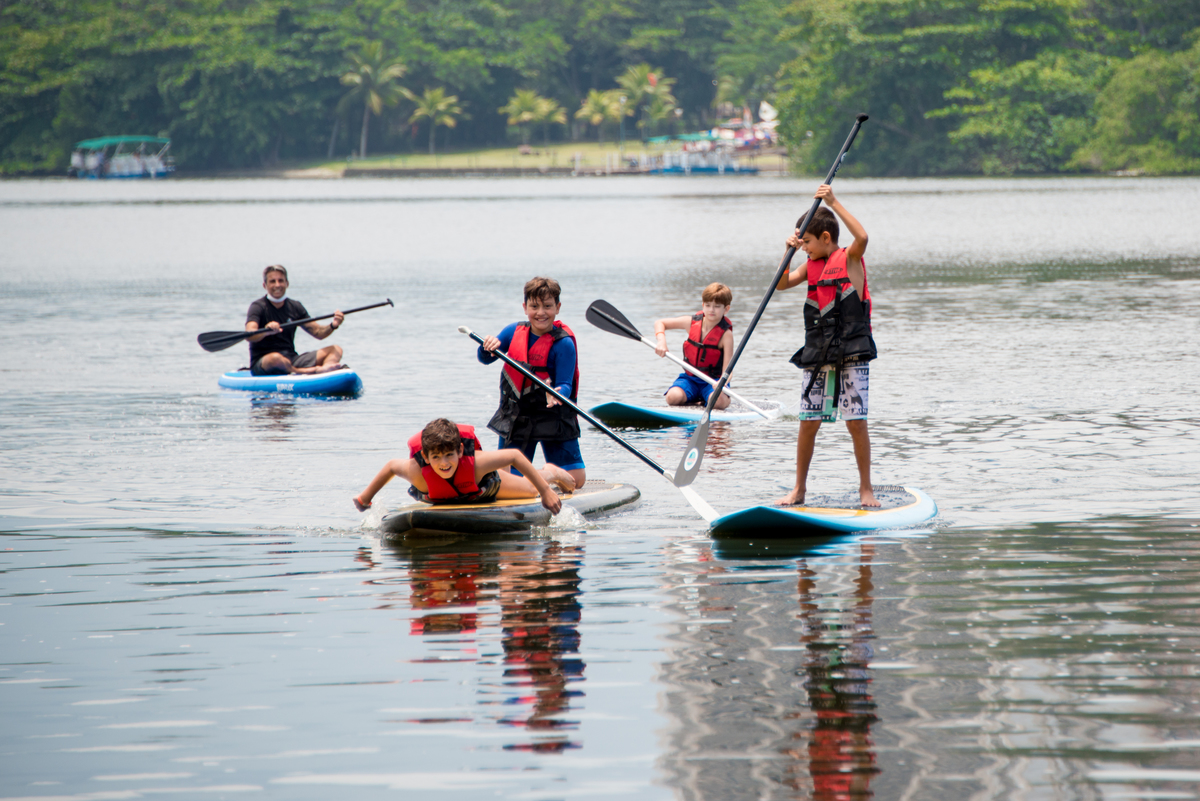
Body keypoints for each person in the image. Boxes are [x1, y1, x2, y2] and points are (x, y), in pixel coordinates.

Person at [775, 185, 879, 508]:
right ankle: (798, 489)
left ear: (824, 237)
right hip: (818, 354)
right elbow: (780, 283)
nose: (805, 248)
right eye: (801, 243)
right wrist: (789, 250)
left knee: (855, 422)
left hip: (851, 352)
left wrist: (834, 202)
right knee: (808, 423)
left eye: (806, 242)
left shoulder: (848, 258)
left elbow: (862, 237)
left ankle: (866, 489)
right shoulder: (809, 265)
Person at [478, 277, 587, 489]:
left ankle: (550, 473)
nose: (541, 313)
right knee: (506, 483)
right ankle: (542, 477)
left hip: (553, 416)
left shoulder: (563, 343)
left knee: (576, 482)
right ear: (525, 307)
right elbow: (485, 358)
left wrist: (557, 393)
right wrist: (487, 346)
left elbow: (566, 384)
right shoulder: (512, 332)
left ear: (557, 308)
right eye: (534, 306)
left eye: (547, 306)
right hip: (518, 417)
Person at [352, 418, 575, 514]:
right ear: (427, 457)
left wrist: (546, 491)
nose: (444, 463)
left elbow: (515, 456)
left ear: (460, 451)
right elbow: (391, 466)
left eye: (450, 455)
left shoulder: (475, 464)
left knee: (529, 490)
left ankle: (551, 472)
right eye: (437, 457)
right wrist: (365, 498)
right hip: (452, 492)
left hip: (482, 485)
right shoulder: (417, 472)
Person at [245, 265, 346, 375]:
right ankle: (310, 371)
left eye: (281, 281)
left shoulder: (295, 306)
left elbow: (318, 332)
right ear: (265, 285)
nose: (277, 285)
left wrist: (334, 325)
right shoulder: (258, 306)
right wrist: (266, 331)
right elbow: (249, 334)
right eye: (272, 281)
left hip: (291, 359)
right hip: (265, 362)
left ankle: (327, 371)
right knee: (275, 358)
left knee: (336, 349)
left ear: (287, 284)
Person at [652, 282, 735, 410]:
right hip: (690, 380)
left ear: (726, 309)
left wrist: (722, 383)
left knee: (718, 402)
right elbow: (660, 323)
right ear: (703, 305)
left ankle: (709, 399)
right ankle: (697, 400)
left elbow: (728, 371)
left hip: (713, 383)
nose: (711, 310)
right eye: (708, 305)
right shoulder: (691, 322)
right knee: (672, 398)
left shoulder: (726, 335)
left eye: (717, 306)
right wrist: (661, 341)